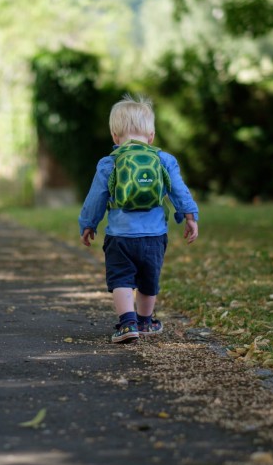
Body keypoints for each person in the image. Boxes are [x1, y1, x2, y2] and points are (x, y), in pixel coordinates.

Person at [79, 93, 199, 344]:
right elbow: (179, 190)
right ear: (152, 136)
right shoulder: (164, 160)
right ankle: (145, 321)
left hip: (119, 236)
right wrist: (189, 215)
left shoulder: (109, 162)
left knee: (121, 279)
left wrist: (88, 224)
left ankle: (127, 324)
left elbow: (96, 197)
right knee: (148, 279)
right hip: (154, 236)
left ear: (114, 136)